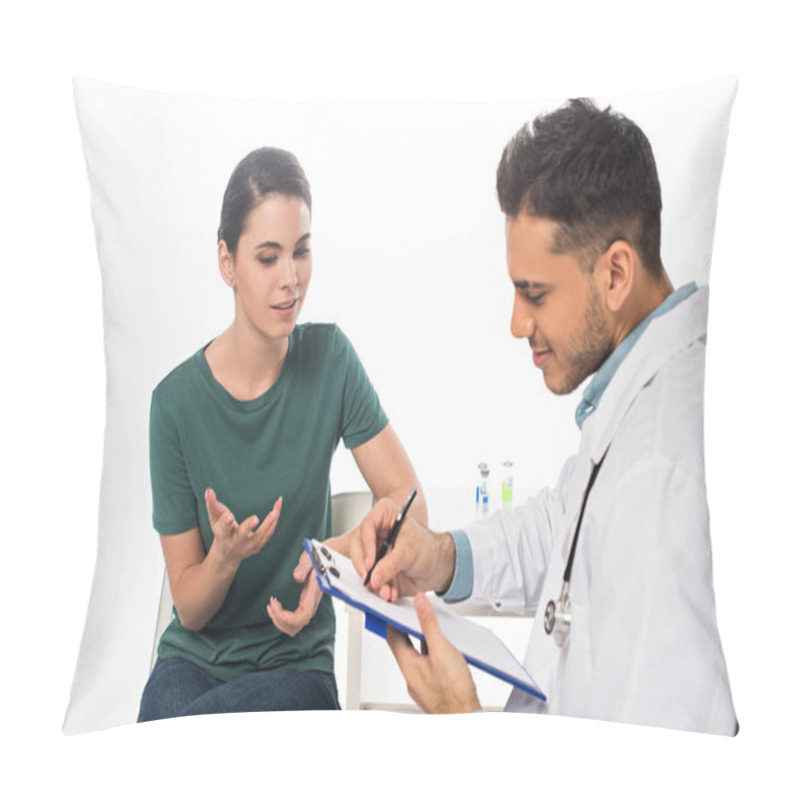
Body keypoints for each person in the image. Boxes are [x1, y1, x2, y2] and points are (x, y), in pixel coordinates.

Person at [321, 99, 737, 734]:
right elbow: (562, 527)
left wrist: (466, 723)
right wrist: (441, 556)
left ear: (616, 273)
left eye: (534, 293)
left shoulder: (667, 469)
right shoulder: (638, 394)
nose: (517, 324)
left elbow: (658, 773)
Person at [137, 147, 426, 721]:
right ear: (227, 262)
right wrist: (224, 556)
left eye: (301, 252)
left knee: (181, 748)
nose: (290, 280)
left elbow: (410, 509)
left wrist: (333, 560)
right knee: (168, 737)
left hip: (297, 670)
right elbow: (190, 611)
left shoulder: (331, 361)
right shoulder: (173, 407)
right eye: (267, 258)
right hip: (192, 665)